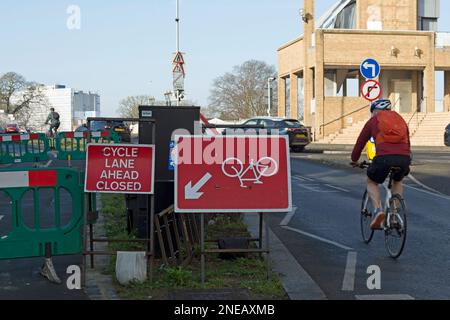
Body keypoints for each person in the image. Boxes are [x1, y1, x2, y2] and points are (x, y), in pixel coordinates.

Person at [351, 99, 411, 230]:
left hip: (384, 157)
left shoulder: (373, 121)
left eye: (372, 112)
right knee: (398, 181)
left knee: (371, 181)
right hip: (404, 158)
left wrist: (354, 160)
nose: (372, 115)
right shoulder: (400, 120)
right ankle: (394, 215)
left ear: (376, 111)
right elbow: (408, 142)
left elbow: (360, 143)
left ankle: (378, 211)